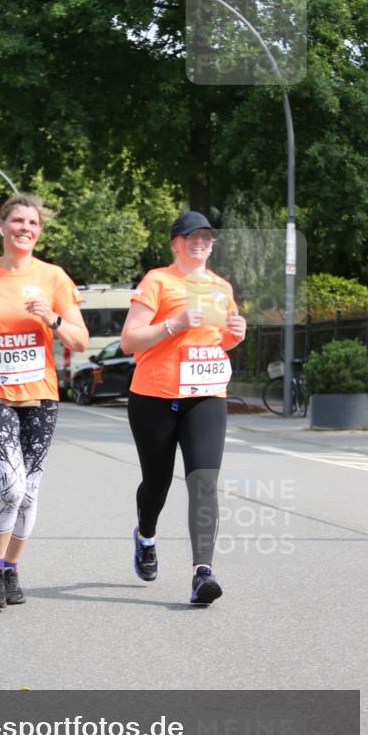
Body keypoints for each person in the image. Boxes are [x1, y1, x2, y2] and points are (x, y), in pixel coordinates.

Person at [0, 193, 88, 610]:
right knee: (10, 485)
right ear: (1, 228)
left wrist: (51, 317)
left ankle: (11, 569)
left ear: (39, 232)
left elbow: (79, 341)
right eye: (17, 221)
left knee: (29, 492)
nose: (25, 228)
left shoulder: (54, 278)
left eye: (32, 223)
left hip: (41, 396)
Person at [120, 210, 247, 606]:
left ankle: (202, 573)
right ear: (175, 243)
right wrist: (173, 323)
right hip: (154, 396)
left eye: (207, 237)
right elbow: (129, 342)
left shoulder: (221, 287)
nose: (200, 242)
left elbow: (216, 342)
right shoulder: (158, 281)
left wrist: (234, 337)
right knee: (157, 482)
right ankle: (146, 535)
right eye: (191, 236)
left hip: (206, 394)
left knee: (204, 481)